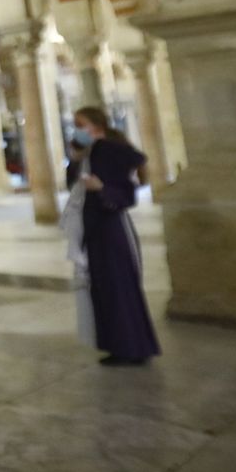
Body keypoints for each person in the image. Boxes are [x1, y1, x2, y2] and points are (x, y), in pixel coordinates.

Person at [74, 106, 161, 366]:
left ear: (96, 126)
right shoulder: (92, 151)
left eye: (80, 124)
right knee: (105, 288)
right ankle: (118, 345)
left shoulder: (110, 149)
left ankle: (132, 347)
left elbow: (130, 178)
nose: (76, 129)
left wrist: (103, 188)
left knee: (119, 287)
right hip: (96, 228)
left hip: (111, 228)